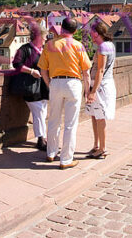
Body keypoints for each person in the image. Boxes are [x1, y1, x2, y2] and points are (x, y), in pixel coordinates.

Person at [39, 19, 95, 169]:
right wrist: (87, 91)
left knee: (53, 120)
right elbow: (86, 72)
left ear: (61, 28)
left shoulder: (50, 45)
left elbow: (43, 70)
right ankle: (66, 159)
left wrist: (49, 84)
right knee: (70, 124)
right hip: (73, 84)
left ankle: (51, 153)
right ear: (75, 31)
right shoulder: (78, 46)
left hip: (56, 82)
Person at [9, 25, 50, 153]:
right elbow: (16, 64)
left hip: (42, 86)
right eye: (44, 37)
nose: (45, 39)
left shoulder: (43, 50)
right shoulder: (25, 49)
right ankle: (41, 139)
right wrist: (31, 71)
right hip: (30, 86)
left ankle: (42, 138)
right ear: (38, 37)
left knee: (42, 112)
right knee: (38, 112)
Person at [83, 21, 118, 160]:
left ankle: (102, 149)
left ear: (97, 33)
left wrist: (92, 91)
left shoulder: (102, 47)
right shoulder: (110, 45)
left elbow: (100, 70)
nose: (90, 34)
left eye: (91, 32)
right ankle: (96, 145)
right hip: (105, 84)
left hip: (100, 86)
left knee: (99, 116)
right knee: (95, 115)